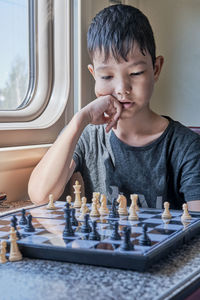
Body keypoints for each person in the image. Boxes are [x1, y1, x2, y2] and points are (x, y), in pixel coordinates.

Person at [28, 4, 200, 211]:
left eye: (136, 73)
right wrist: (80, 119)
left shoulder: (187, 146)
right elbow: (40, 195)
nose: (122, 89)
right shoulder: (88, 136)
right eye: (107, 76)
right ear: (94, 76)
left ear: (155, 69)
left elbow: (195, 228)